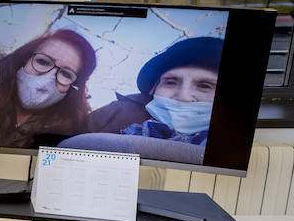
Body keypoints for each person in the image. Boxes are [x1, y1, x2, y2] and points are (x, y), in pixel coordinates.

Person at [86, 36, 222, 144]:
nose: (183, 97)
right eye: (170, 82)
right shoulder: (112, 114)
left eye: (204, 86)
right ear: (154, 89)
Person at [0, 29, 97, 149]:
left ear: (73, 87)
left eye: (66, 74)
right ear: (24, 60)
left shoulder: (69, 137)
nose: (47, 80)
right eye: (43, 62)